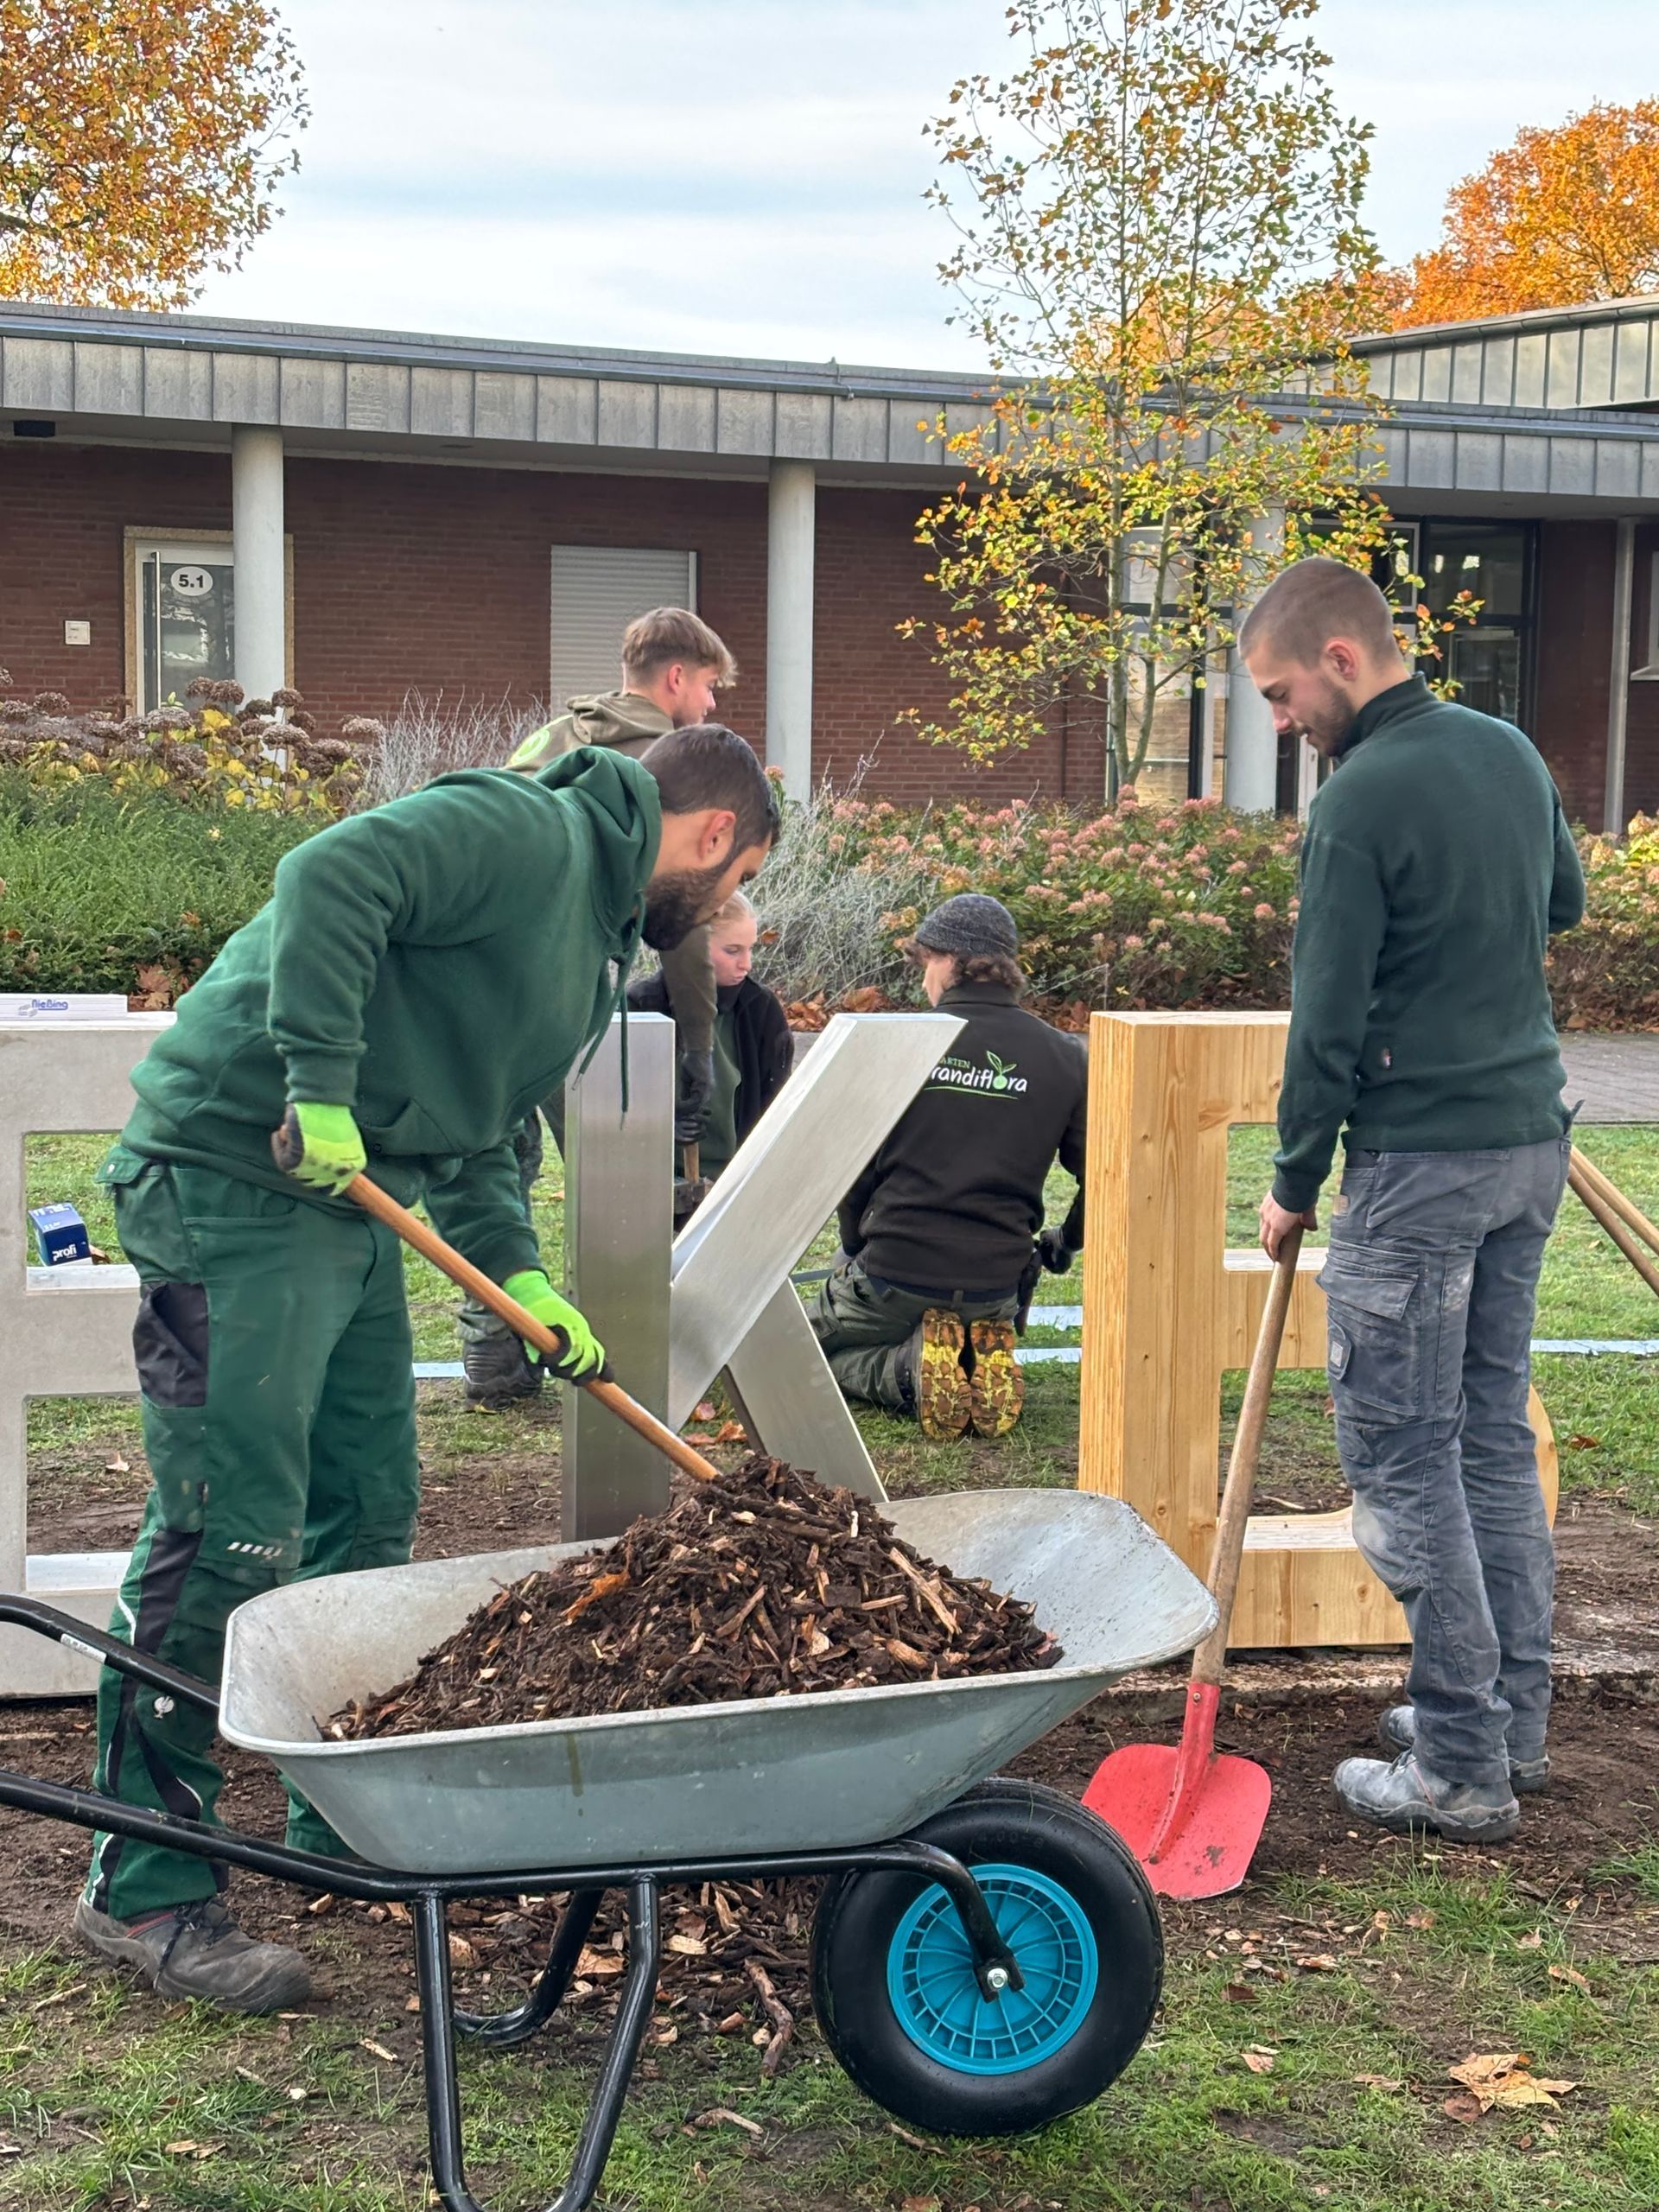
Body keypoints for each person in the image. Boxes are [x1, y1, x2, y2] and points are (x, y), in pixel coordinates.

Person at [74, 723, 779, 2011]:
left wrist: (520, 1278)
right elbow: (331, 876)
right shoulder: (527, 829)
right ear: (714, 832)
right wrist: (319, 1083)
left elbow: (477, 1133)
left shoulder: (591, 945)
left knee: (368, 1509)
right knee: (230, 1526)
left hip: (349, 1206)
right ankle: (144, 1886)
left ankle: (337, 1815)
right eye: (735, 884)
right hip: (235, 1173)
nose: (723, 907)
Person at [1243, 556, 1585, 1847]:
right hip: (1526, 1147)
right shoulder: (1508, 749)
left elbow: (1325, 1019)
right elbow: (1564, 900)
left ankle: (1457, 1764)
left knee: (1402, 1457)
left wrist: (1291, 1182)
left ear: (1341, 657)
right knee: (1489, 1436)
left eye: (1281, 693)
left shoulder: (1360, 797)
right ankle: (1508, 1723)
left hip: (1419, 1172)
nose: (1283, 721)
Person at [461, 607, 739, 1402]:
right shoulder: (659, 764)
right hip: (554, 986)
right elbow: (681, 918)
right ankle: (630, 1343)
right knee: (613, 1171)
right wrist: (696, 1043)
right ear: (676, 677)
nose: (710, 706)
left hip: (475, 980)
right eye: (709, 687)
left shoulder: (554, 738)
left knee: (502, 1160)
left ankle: (494, 1348)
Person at [812, 894, 1084, 1440]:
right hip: (996, 1287)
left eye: (925, 964)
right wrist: (1067, 1241)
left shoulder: (902, 1043)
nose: (923, 982)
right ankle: (965, 1359)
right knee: (959, 1325)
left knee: (800, 1350)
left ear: (950, 960)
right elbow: (1106, 1177)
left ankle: (907, 1370)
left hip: (893, 1275)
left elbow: (855, 1170)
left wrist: (853, 1245)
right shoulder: (1065, 1055)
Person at [626, 888, 792, 1193]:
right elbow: (615, 1105)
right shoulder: (641, 1006)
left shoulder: (761, 1008)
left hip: (737, 1179)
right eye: (732, 951)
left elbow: (775, 1104)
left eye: (750, 949)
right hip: (654, 1182)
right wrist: (659, 1127)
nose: (747, 964)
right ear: (692, 948)